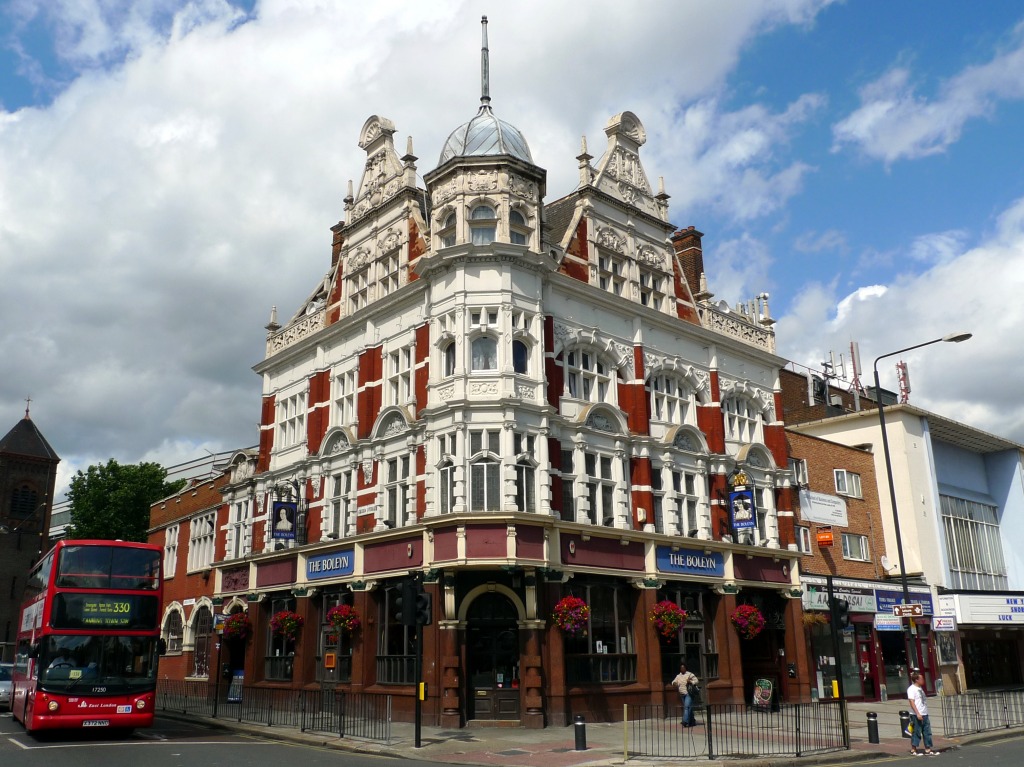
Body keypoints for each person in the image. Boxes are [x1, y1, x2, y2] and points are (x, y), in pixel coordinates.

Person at [907, 671, 937, 756]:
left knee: (927, 731)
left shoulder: (920, 688)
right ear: (916, 680)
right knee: (916, 731)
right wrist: (917, 714)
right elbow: (912, 702)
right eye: (921, 679)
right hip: (916, 714)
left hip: (924, 713)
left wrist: (924, 713)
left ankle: (928, 748)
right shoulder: (911, 689)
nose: (923, 680)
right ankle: (914, 749)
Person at [671, 662, 700, 727]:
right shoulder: (678, 676)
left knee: (686, 707)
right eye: (681, 668)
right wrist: (674, 683)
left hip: (688, 693)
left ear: (686, 668)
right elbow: (674, 682)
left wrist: (691, 681)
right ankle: (692, 721)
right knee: (689, 707)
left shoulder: (690, 674)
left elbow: (697, 681)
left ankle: (685, 721)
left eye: (683, 667)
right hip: (682, 694)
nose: (682, 669)